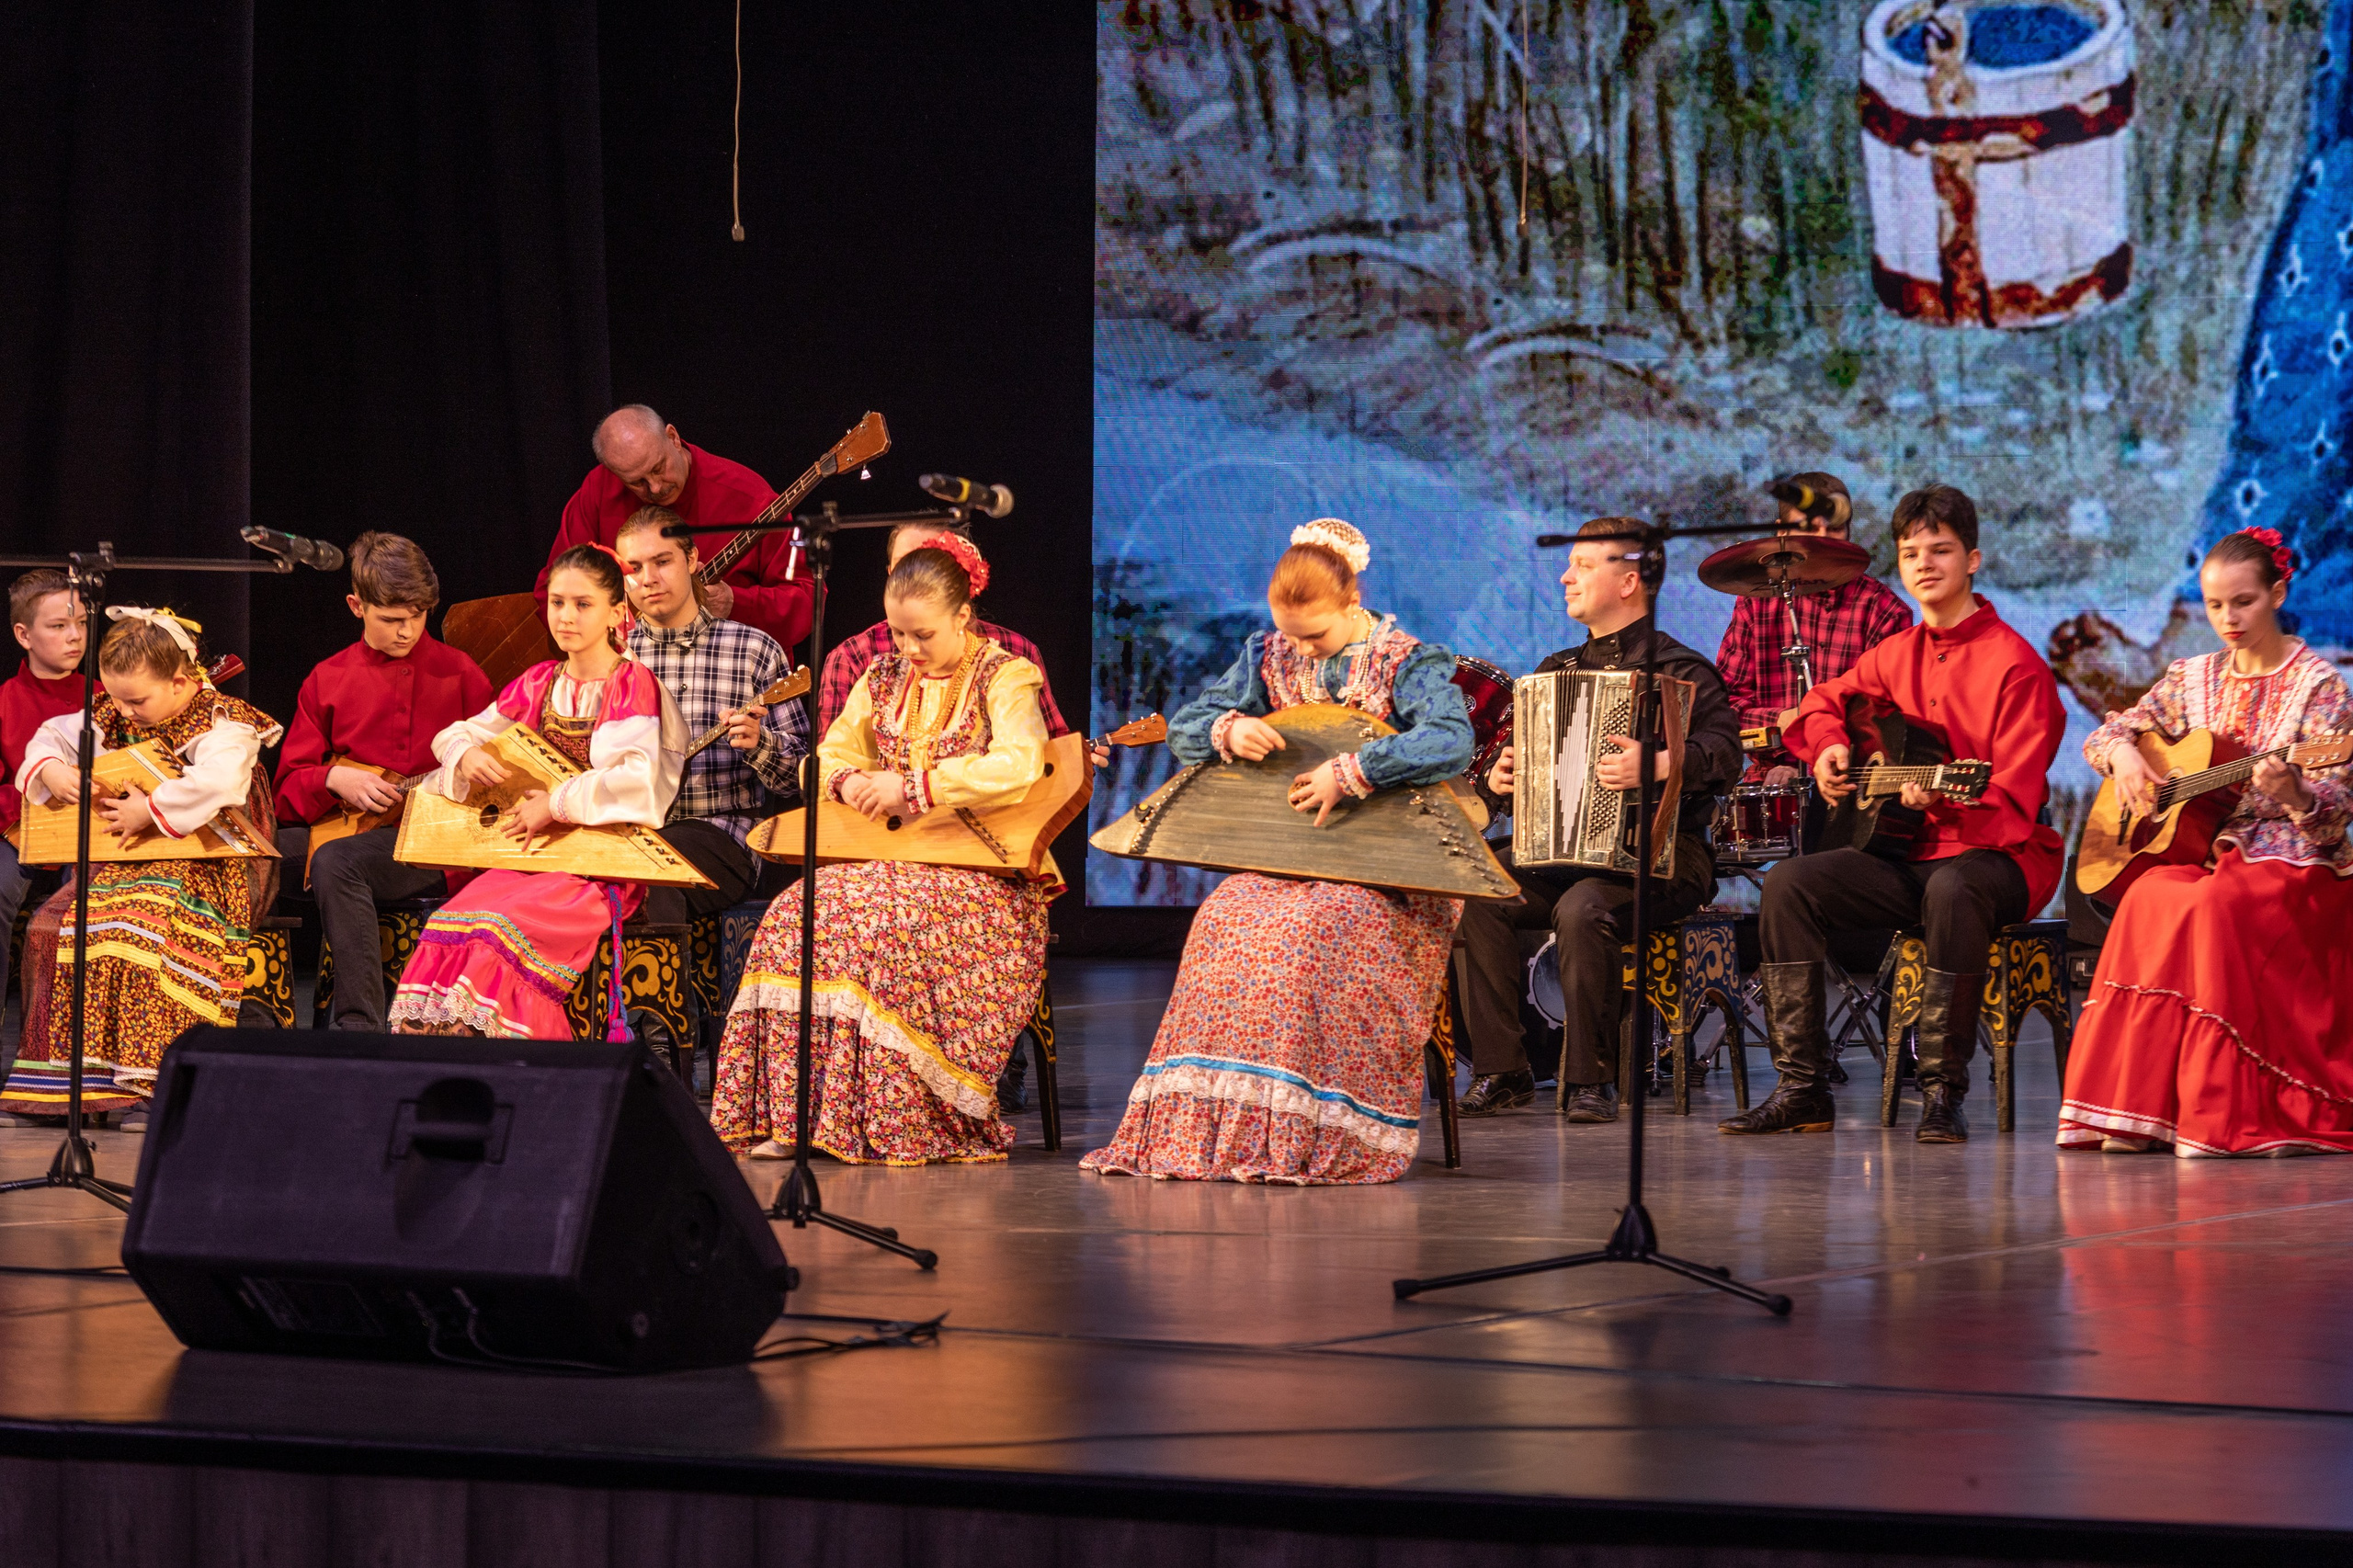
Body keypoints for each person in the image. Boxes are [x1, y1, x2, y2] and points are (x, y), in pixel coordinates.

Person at [1080, 519, 1474, 1184]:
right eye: (1289, 632)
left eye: (1314, 634)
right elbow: (1184, 727)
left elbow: (1450, 739)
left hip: (1392, 877)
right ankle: (1217, 1132)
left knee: (1312, 931)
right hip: (1294, 861)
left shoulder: (1408, 660)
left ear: (1353, 603)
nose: (1300, 647)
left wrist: (1354, 771)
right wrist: (1229, 730)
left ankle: (1307, 1131)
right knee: (1222, 920)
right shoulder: (1268, 655)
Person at [1732, 484, 2066, 1143]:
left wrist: (1941, 795)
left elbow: (2014, 805)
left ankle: (1942, 1091)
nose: (1924, 564)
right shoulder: (1896, 653)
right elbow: (1822, 701)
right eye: (1910, 552)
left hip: (1998, 860)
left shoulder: (2017, 666)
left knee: (1954, 885)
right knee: (1789, 885)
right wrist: (1828, 748)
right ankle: (1804, 1087)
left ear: (1972, 559)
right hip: (1908, 854)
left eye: (1940, 550)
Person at [711, 534, 1059, 1165]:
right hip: (896, 868)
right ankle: (802, 1117)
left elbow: (1021, 763)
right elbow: (829, 755)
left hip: (987, 878)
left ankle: (894, 1118)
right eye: (898, 634)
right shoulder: (882, 675)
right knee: (792, 915)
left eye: (922, 634)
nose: (908, 649)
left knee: (883, 924)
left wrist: (916, 786)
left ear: (962, 616)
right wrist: (844, 779)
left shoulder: (1006, 675)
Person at [2059, 528, 2353, 1156]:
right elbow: (2109, 732)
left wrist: (2296, 793)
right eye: (2216, 606)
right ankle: (2138, 1112)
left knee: (2212, 907)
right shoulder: (2189, 676)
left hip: (2293, 861)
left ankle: (2215, 1108)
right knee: (2150, 896)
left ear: (2278, 593)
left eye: (2243, 602)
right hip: (2204, 851)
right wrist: (2126, 760)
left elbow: (2335, 816)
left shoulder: (2320, 687)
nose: (2228, 619)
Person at [1454, 517, 1744, 1120]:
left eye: (1584, 565)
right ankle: (1501, 1068)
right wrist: (1501, 779)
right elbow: (1527, 778)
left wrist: (1660, 762)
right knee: (1479, 889)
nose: (1566, 576)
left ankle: (1592, 1079)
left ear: (1630, 581)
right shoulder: (1554, 671)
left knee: (1584, 904)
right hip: (1561, 853)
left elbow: (1727, 755)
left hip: (1666, 855)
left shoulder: (1682, 669)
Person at [389, 546, 685, 1038]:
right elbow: (454, 734)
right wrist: (465, 754)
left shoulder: (631, 685)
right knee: (455, 920)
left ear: (616, 613)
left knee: (496, 929)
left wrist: (555, 803)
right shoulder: (538, 683)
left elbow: (635, 780)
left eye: (583, 604)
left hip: (599, 868)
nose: (566, 617)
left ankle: (522, 1069)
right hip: (533, 861)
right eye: (557, 603)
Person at [11, 608, 280, 1093]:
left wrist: (149, 809)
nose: (122, 710)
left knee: (141, 927)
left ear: (179, 682)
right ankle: (80, 1083)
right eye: (113, 697)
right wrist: (50, 767)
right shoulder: (116, 709)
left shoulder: (223, 722)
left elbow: (220, 783)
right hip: (133, 861)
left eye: (135, 700)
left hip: (216, 859)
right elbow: (52, 734)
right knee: (52, 924)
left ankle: (153, 1083)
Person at [270, 534, 493, 1031]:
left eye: (418, 615)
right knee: (250, 855)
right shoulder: (328, 678)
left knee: (336, 864)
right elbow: (287, 787)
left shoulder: (460, 675)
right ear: (356, 605)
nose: (407, 630)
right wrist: (334, 777)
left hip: (432, 843)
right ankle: (249, 1019)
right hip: (344, 828)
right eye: (391, 619)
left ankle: (359, 1030)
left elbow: (495, 778)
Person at [614, 505, 808, 924]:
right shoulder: (611, 656)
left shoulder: (754, 649)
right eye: (634, 568)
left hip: (720, 832)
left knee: (649, 877)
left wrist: (762, 744)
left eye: (662, 561)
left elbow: (801, 779)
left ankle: (657, 992)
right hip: (624, 830)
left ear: (691, 560)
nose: (648, 579)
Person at [536, 404, 812, 651]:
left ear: (673, 438)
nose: (655, 487)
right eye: (637, 482)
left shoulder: (751, 499)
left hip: (731, 668)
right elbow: (553, 586)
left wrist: (735, 604)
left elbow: (807, 604)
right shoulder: (599, 490)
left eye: (659, 468)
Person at [1713, 473, 1912, 782]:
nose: (1822, 538)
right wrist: (1782, 721)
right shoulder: (1756, 602)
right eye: (1808, 528)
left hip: (1850, 781)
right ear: (1781, 533)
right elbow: (1721, 710)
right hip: (1769, 780)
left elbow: (1889, 727)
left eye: (1833, 528)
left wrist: (1820, 748)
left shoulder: (1882, 611)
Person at [817, 520, 1072, 739]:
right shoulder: (857, 659)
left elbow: (1045, 752)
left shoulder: (1013, 655)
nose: (912, 579)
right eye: (902, 568)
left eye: (927, 567)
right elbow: (831, 763)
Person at [0, 572, 85, 1045]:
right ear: (23, 634)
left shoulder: (106, 699)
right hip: (22, 834)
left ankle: (67, 1052)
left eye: (80, 624)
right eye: (57, 626)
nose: (74, 636)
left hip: (92, 838)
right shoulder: (6, 701)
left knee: (83, 905)